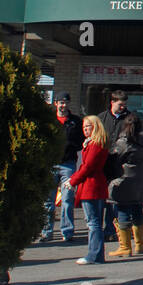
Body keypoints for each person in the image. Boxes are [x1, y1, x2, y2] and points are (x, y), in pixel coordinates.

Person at [107, 113, 143, 258]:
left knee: (123, 212)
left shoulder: (123, 143)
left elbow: (114, 161)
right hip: (142, 182)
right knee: (138, 210)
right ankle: (140, 245)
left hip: (124, 181)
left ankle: (125, 247)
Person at [41, 92, 83, 243]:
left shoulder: (76, 121)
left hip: (68, 164)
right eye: (60, 102)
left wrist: (71, 147)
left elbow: (81, 140)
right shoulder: (48, 120)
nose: (63, 105)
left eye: (66, 102)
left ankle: (67, 231)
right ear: (55, 103)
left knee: (67, 200)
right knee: (48, 201)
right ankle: (46, 231)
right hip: (51, 163)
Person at [67, 115, 109, 264]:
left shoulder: (95, 145)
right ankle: (96, 254)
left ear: (95, 127)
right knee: (94, 222)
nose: (85, 130)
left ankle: (94, 255)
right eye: (84, 127)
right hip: (93, 185)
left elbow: (88, 167)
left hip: (92, 186)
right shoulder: (92, 144)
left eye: (88, 127)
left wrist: (72, 180)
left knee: (93, 222)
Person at [101, 90, 129, 241]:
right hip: (104, 162)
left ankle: (112, 229)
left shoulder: (129, 118)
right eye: (120, 104)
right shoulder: (102, 118)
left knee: (115, 198)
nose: (123, 107)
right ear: (112, 102)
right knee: (101, 198)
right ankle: (99, 228)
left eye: (124, 105)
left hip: (119, 163)